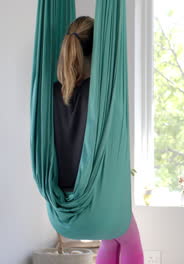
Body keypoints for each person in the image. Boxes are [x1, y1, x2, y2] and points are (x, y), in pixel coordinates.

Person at [53, 16, 144, 264]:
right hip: (93, 193)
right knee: (129, 239)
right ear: (98, 50)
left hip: (63, 199)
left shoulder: (52, 93)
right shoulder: (99, 93)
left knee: (111, 238)